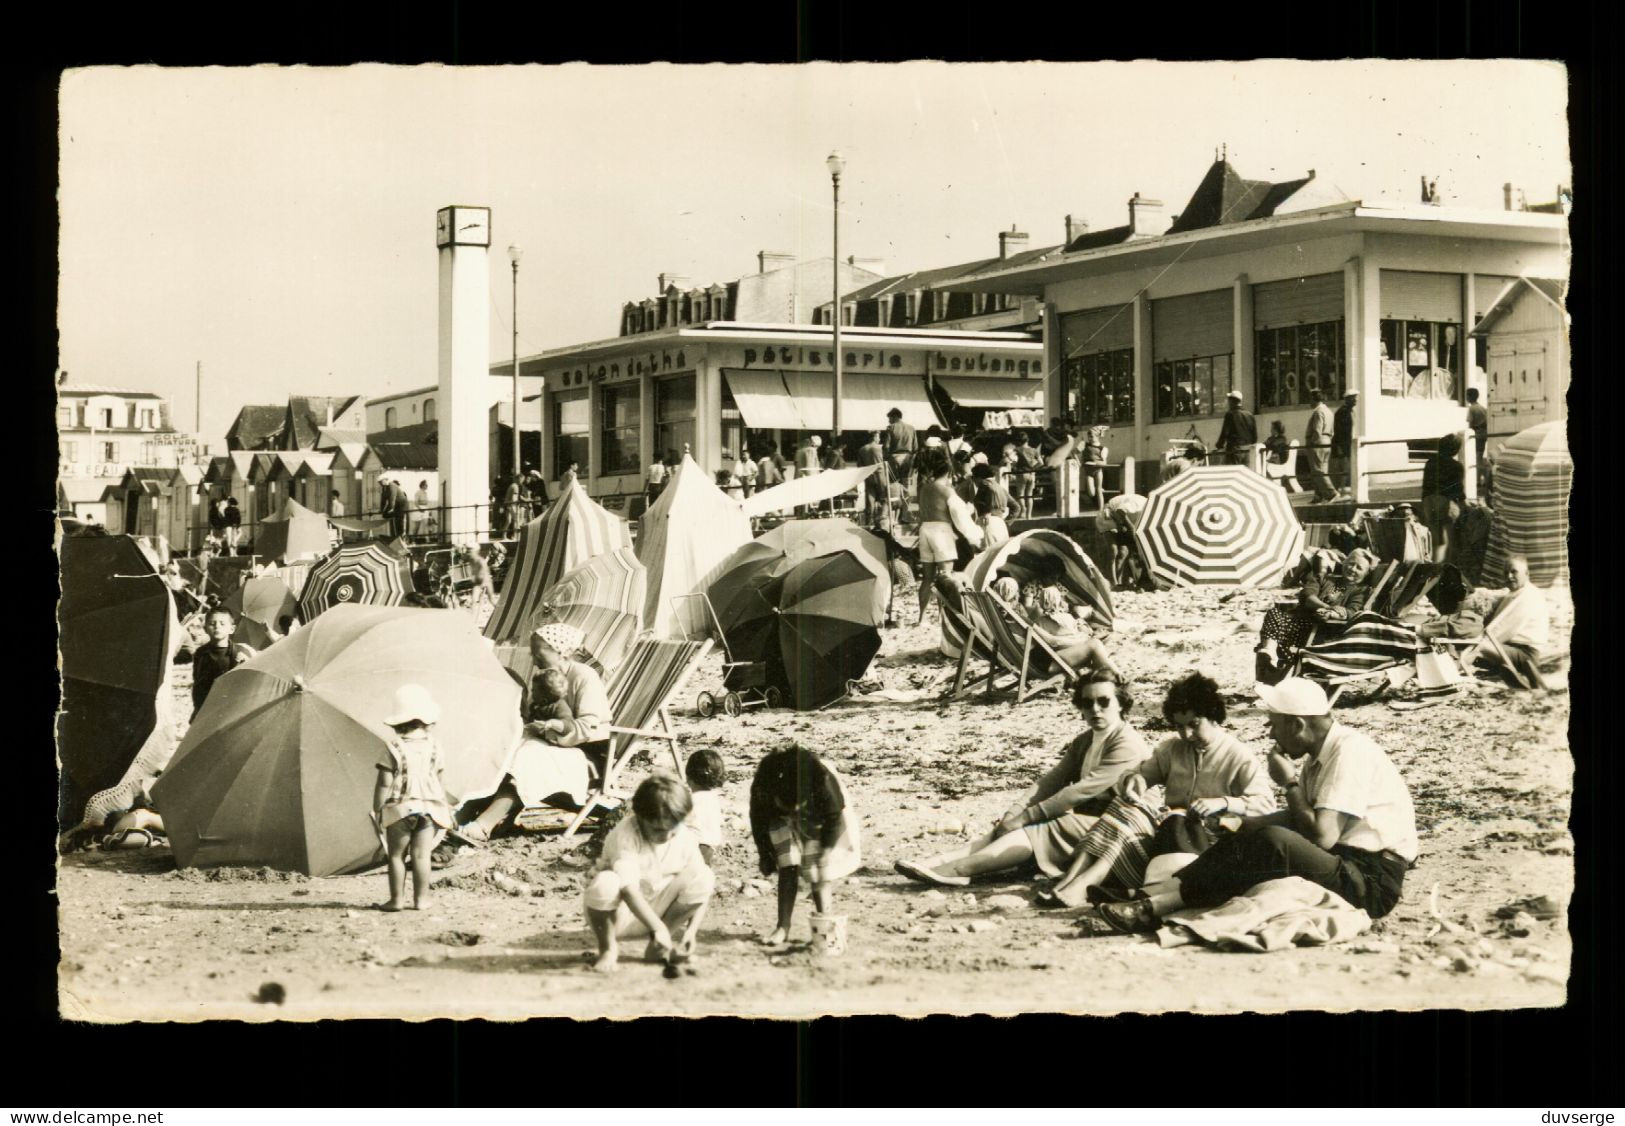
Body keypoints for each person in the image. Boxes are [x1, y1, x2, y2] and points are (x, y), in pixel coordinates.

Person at [1095, 677, 1418, 934]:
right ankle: (1154, 897)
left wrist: (1288, 783)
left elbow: (1322, 837)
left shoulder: (1350, 752)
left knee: (1271, 841)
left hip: (1371, 881)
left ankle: (1155, 907)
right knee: (1250, 836)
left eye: (1275, 724)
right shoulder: (1319, 758)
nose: (1271, 733)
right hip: (1345, 863)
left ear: (1298, 725)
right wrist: (1240, 826)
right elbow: (1297, 819)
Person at [1037, 673, 1275, 907]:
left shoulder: (1238, 755)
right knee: (1124, 807)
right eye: (1179, 726)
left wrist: (1223, 802)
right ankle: (1071, 882)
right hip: (1169, 838)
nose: (1186, 734)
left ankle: (1080, 884)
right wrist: (1135, 782)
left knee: (1128, 818)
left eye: (1193, 725)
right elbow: (1137, 774)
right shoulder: (1173, 749)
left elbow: (1266, 805)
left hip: (1208, 847)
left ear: (1213, 716)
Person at [896, 672, 1150, 887]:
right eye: (1087, 703)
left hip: (1120, 825)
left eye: (1104, 702)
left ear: (1121, 704)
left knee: (1042, 826)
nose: (1094, 709)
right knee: (1014, 825)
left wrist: (1025, 818)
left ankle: (960, 870)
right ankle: (939, 863)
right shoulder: (1085, 740)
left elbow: (1079, 792)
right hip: (1091, 820)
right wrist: (1014, 812)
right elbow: (1051, 781)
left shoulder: (1126, 743)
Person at [457, 623, 612, 842]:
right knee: (504, 749)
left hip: (589, 754)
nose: (533, 659)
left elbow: (588, 727)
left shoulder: (584, 676)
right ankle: (462, 815)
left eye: (538, 653)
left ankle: (484, 825)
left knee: (529, 757)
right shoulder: (545, 677)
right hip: (555, 747)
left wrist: (550, 734)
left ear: (561, 651)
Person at [583, 774, 715, 973]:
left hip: (657, 911)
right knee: (606, 882)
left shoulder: (683, 836)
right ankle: (608, 948)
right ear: (640, 817)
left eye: (673, 829)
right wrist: (657, 927)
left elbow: (702, 886)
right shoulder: (626, 834)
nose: (667, 836)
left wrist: (691, 932)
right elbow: (627, 889)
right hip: (617, 913)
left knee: (703, 874)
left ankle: (658, 946)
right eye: (658, 829)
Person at [750, 744, 862, 953]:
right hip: (780, 810)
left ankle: (826, 927)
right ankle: (782, 927)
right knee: (787, 863)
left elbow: (833, 817)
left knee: (816, 869)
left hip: (814, 811)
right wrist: (765, 854)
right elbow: (758, 822)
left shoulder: (822, 783)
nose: (793, 817)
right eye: (788, 810)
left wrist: (825, 852)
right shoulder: (763, 786)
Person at [372, 684, 454, 912]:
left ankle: (396, 900)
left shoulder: (393, 748)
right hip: (429, 808)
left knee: (397, 856)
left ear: (398, 723)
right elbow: (440, 780)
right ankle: (421, 899)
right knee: (421, 855)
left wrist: (378, 806)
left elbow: (384, 782)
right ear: (427, 721)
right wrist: (445, 805)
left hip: (401, 808)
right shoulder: (436, 747)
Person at [1255, 547, 1383, 678]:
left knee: (1280, 628)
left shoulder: (1360, 591)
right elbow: (1307, 595)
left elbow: (1351, 611)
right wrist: (1326, 606)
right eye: (1351, 563)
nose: (1352, 569)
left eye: (1359, 567)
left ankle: (1271, 665)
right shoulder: (1324, 578)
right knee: (1274, 613)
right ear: (1344, 563)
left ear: (1367, 573)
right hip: (1301, 623)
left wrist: (1333, 614)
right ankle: (1268, 654)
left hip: (1323, 632)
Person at [1454, 554, 1553, 690]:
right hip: (1512, 648)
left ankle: (1451, 675)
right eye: (1506, 572)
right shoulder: (1517, 592)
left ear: (1527, 573)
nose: (1509, 576)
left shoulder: (1528, 597)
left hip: (1526, 654)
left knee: (1479, 646)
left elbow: (1501, 630)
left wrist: (1475, 642)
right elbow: (1499, 594)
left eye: (1514, 572)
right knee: (1471, 643)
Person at [1005, 577, 1122, 681]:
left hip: (1042, 660)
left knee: (1095, 648)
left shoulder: (1018, 619)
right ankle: (1118, 678)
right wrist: (1084, 640)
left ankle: (1113, 679)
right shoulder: (1028, 620)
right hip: (1047, 663)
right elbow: (1052, 641)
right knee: (1095, 645)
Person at [914, 446, 961, 626]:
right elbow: (957, 515)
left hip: (925, 529)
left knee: (927, 577)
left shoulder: (924, 488)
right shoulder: (947, 491)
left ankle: (921, 617)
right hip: (941, 530)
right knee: (945, 575)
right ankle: (943, 616)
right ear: (948, 473)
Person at [191, 607, 247, 718]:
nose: (217, 626)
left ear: (232, 629)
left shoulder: (237, 654)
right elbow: (197, 681)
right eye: (212, 623)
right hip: (205, 705)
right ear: (205, 628)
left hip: (229, 706)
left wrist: (242, 665)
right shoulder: (201, 653)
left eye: (222, 624)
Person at [1421, 432, 1467, 564]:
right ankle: (1444, 568)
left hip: (1428, 502)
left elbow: (1426, 486)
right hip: (1444, 503)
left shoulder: (1430, 463)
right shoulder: (1456, 466)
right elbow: (1458, 492)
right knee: (1448, 540)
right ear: (1456, 450)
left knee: (1437, 539)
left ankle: (1436, 566)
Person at [684, 749, 728, 867]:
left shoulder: (692, 800)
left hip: (693, 849)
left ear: (688, 778)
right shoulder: (712, 799)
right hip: (709, 848)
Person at [1302, 389, 1338, 502]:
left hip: (1317, 443)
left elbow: (1317, 430)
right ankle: (1318, 495)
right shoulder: (1328, 411)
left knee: (1317, 471)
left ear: (1314, 399)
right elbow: (1332, 430)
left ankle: (1332, 493)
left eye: (1310, 399)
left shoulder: (1318, 412)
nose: (1309, 402)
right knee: (1322, 469)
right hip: (1327, 441)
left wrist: (1311, 443)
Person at [857, 430, 893, 530]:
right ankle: (882, 519)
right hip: (881, 474)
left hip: (868, 475)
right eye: (878, 437)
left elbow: (860, 465)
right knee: (884, 497)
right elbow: (887, 461)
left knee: (870, 498)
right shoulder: (881, 448)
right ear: (876, 437)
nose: (879, 439)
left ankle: (870, 520)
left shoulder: (862, 449)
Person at [1216, 390, 1258, 466]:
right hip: (1247, 450)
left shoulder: (1230, 414)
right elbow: (1254, 436)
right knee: (1246, 474)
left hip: (1234, 450)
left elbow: (1225, 432)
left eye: (1229, 400)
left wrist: (1219, 445)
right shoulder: (1250, 415)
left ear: (1232, 401)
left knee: (1233, 473)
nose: (1228, 403)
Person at [885, 407, 918, 496]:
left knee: (894, 484)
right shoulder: (911, 428)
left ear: (895, 417)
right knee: (906, 484)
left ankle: (894, 507)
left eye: (890, 418)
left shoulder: (891, 428)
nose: (889, 421)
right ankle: (905, 509)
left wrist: (887, 458)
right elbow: (915, 447)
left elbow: (886, 446)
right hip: (908, 457)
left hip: (894, 457)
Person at [1332, 391, 1358, 495]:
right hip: (1342, 443)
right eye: (1353, 398)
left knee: (1347, 467)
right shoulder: (1342, 412)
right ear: (1347, 399)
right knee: (1343, 467)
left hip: (1349, 443)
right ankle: (1340, 489)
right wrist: (1339, 446)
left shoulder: (1351, 411)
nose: (1356, 400)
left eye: (1356, 398)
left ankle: (1343, 488)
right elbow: (1338, 430)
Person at [1012, 430, 1041, 519]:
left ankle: (1023, 509)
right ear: (1027, 440)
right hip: (1031, 474)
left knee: (1020, 494)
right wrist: (1033, 469)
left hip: (1021, 474)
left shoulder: (1017, 450)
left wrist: (1014, 466)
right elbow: (1041, 462)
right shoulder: (1034, 450)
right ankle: (1029, 516)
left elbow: (1013, 460)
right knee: (1030, 495)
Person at [1465, 387, 1489, 488]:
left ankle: (1478, 480)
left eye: (1467, 395)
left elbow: (1470, 424)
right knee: (1479, 456)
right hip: (1483, 434)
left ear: (1470, 397)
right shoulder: (1482, 408)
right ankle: (1484, 478)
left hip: (1476, 434)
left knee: (1477, 458)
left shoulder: (1472, 408)